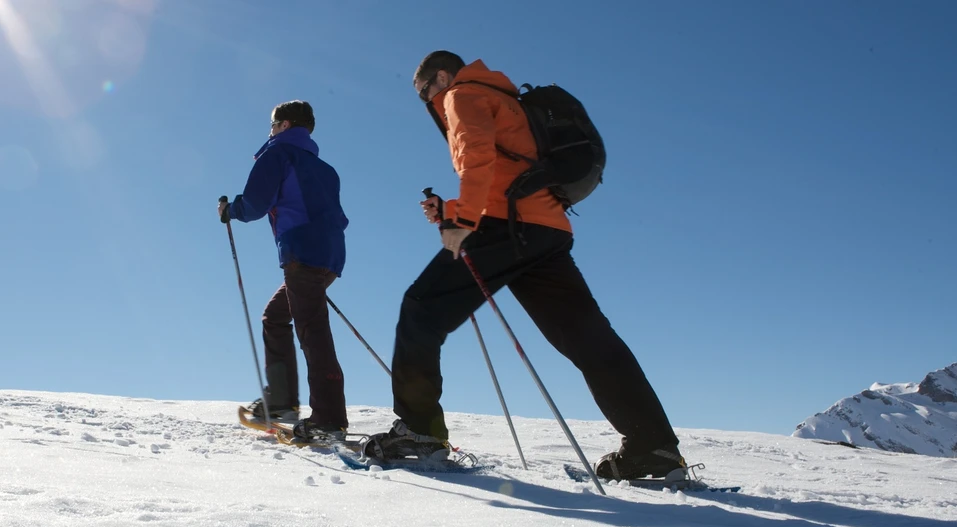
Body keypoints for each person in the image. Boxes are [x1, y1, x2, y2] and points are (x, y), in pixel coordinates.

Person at [360, 51, 686, 480]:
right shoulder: (507, 98)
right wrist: (454, 207)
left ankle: (420, 432)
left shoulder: (462, 93)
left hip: (505, 228)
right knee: (590, 341)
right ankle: (653, 447)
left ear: (441, 76)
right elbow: (508, 172)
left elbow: (477, 157)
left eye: (424, 92)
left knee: (421, 308)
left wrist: (461, 220)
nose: (427, 103)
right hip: (547, 229)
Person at [219, 100, 351, 441]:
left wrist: (229, 211)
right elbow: (338, 216)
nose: (270, 131)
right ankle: (282, 401)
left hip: (302, 253)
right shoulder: (325, 168)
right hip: (329, 256)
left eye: (273, 124)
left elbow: (255, 204)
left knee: (312, 329)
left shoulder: (277, 155)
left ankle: (328, 418)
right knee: (276, 316)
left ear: (284, 124)